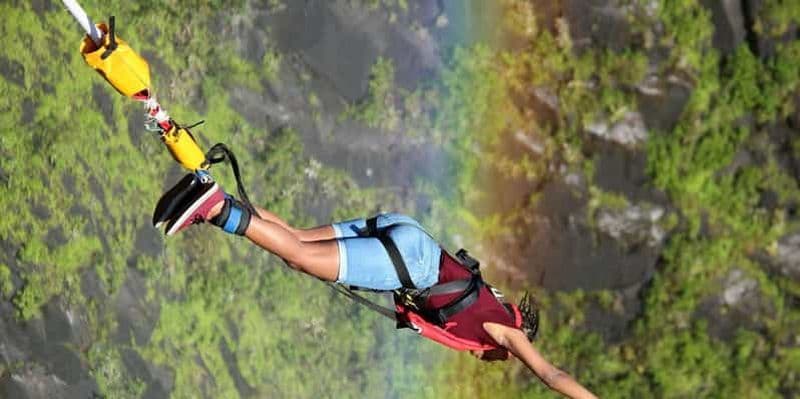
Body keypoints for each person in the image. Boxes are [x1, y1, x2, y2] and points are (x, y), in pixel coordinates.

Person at [153, 171, 598, 399]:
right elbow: (551, 374)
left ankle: (212, 193)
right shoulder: (505, 332)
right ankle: (213, 209)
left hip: (408, 233)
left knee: (300, 245)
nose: (497, 361)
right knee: (299, 253)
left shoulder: (490, 305)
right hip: (414, 263)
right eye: (504, 359)